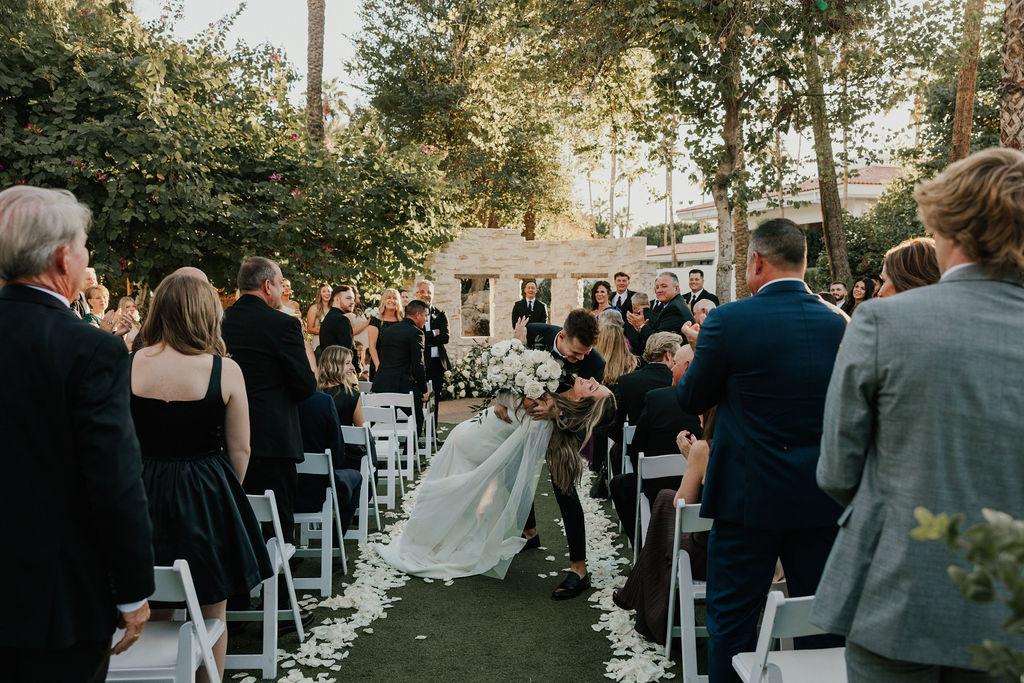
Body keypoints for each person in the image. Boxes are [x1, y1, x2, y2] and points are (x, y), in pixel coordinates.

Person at [811, 148, 1024, 681]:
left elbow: (837, 471)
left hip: (896, 587)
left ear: (948, 228)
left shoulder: (883, 321)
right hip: (1009, 606)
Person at [676, 218, 847, 682]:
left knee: (731, 624)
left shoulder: (729, 321)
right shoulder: (839, 322)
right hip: (821, 499)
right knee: (821, 621)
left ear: (755, 261)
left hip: (747, 502)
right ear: (804, 262)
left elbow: (691, 399)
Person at [0, 185, 153, 681]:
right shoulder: (90, 350)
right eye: (85, 246)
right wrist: (132, 590)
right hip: (54, 600)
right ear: (64, 257)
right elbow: (113, 479)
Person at [130, 273, 272, 683]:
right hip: (207, 491)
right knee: (213, 609)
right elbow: (241, 449)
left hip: (143, 488)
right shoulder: (225, 370)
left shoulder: (129, 363)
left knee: (153, 602)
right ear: (207, 314)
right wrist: (224, 493)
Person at [376, 375, 615, 581]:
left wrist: (505, 396)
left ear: (582, 403)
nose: (592, 379)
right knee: (453, 502)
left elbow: (517, 402)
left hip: (470, 447)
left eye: (593, 387)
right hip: (470, 441)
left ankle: (425, 543)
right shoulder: (554, 398)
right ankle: (433, 541)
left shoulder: (544, 410)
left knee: (447, 500)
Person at [222, 257, 317, 547]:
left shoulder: (219, 321)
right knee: (276, 528)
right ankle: (275, 591)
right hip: (272, 440)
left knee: (234, 524)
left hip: (223, 436)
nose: (280, 291)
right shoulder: (284, 324)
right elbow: (305, 386)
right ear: (267, 286)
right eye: (280, 284)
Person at [514, 310, 605, 599]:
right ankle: (529, 532)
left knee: (563, 485)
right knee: (513, 470)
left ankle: (579, 568)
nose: (579, 360)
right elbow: (512, 370)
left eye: (584, 354)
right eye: (576, 353)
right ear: (562, 336)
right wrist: (504, 399)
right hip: (526, 416)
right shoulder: (534, 333)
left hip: (566, 425)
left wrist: (554, 409)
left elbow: (587, 409)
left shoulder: (595, 362)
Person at [611, 408, 716, 644]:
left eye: (701, 411)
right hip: (752, 546)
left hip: (710, 555)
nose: (697, 416)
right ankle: (632, 593)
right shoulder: (757, 442)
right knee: (664, 499)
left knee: (666, 502)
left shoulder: (704, 449)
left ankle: (639, 599)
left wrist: (693, 460)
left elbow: (683, 505)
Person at [611, 342, 702, 543]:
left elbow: (636, 449)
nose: (671, 368)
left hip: (659, 490)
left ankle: (644, 547)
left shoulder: (657, 399)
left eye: (675, 363)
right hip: (703, 492)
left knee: (620, 484)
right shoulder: (717, 401)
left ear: (687, 366)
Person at [295, 346, 365, 535]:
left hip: (296, 477)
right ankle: (337, 539)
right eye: (348, 363)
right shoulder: (347, 397)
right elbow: (354, 439)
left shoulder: (298, 401)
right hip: (328, 473)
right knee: (359, 473)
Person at [372, 298, 430, 432]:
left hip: (381, 384)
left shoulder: (388, 330)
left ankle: (385, 450)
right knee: (417, 419)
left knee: (382, 421)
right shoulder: (416, 333)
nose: (426, 320)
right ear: (417, 315)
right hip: (403, 386)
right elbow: (418, 365)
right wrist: (424, 389)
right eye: (425, 315)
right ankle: (408, 451)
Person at [415, 280, 450, 431]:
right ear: (417, 294)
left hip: (436, 363)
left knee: (434, 399)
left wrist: (424, 338)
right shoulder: (411, 314)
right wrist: (433, 334)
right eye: (422, 291)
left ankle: (431, 433)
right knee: (418, 398)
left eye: (429, 292)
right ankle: (417, 432)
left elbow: (445, 338)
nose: (425, 295)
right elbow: (413, 336)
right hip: (418, 363)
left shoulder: (440, 314)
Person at [634, 272, 695, 346]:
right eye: (657, 287)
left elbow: (660, 340)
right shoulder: (675, 303)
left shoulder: (674, 308)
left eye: (664, 286)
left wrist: (641, 326)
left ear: (676, 288)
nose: (659, 290)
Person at [317, 285, 358, 368]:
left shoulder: (329, 317)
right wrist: (356, 368)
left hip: (329, 369)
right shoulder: (341, 319)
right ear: (337, 299)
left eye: (353, 299)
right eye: (348, 298)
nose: (353, 302)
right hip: (341, 370)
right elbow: (348, 349)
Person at [367, 287, 404, 378]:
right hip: (380, 365)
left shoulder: (402, 322)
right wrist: (378, 366)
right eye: (389, 298)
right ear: (384, 301)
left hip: (399, 366)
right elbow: (372, 346)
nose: (392, 300)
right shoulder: (375, 321)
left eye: (395, 298)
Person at [306, 283, 332, 349]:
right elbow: (309, 329)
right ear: (320, 294)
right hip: (319, 342)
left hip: (332, 343)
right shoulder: (314, 308)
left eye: (329, 291)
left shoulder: (334, 308)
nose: (327, 293)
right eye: (324, 291)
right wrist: (327, 332)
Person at [348, 285, 371, 349]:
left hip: (367, 343)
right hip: (358, 344)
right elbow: (351, 332)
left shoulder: (359, 311)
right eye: (357, 293)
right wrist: (367, 323)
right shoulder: (347, 313)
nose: (359, 295)